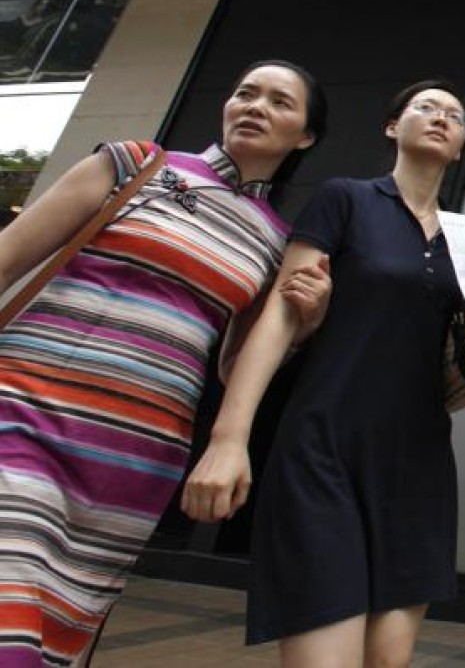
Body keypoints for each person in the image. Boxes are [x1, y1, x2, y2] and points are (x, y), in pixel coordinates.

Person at [0, 59, 331, 666]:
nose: (255, 106)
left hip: (133, 458)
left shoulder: (274, 239)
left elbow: (233, 368)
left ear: (305, 136)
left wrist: (302, 326)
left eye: (279, 102)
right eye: (246, 93)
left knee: (53, 635)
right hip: (24, 410)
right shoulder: (134, 165)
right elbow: (7, 258)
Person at [180, 80, 465, 667]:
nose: (441, 117)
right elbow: (281, 316)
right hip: (325, 449)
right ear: (392, 126)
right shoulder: (345, 199)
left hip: (418, 463)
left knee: (387, 661)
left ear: (462, 144)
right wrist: (229, 438)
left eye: (455, 115)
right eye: (425, 107)